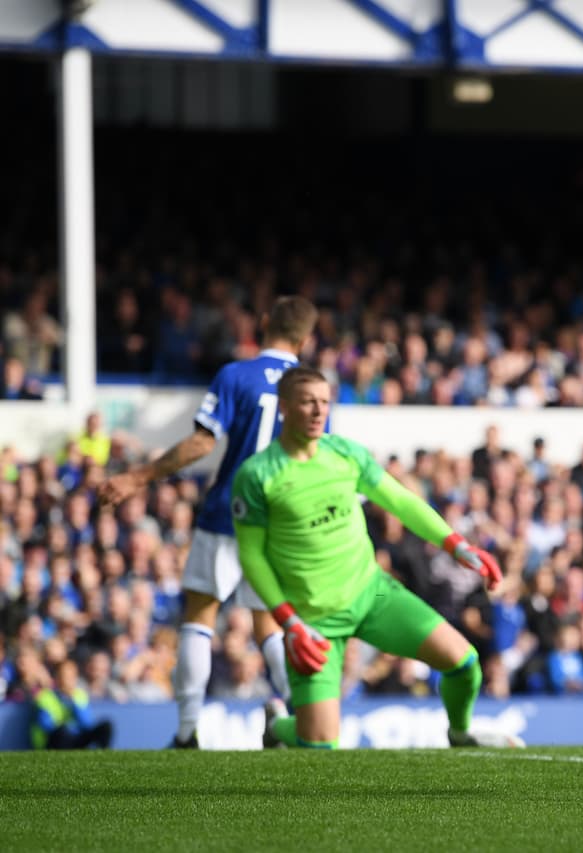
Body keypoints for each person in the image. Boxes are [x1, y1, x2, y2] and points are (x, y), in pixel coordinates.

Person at [231, 367, 521, 749]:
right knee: (318, 743)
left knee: (464, 661)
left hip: (373, 595)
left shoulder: (345, 453)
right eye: (307, 402)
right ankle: (277, 728)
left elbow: (399, 500)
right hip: (314, 619)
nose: (319, 411)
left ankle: (461, 733)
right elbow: (251, 555)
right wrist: (289, 620)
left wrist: (456, 544)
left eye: (324, 401)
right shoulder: (257, 475)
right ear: (284, 407)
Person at [99, 295, 319, 748]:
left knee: (200, 618)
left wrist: (139, 476)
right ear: (306, 338)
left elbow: (202, 444)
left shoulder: (236, 374)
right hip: (278, 523)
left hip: (227, 514)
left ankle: (186, 731)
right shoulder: (311, 390)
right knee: (269, 625)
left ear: (262, 323)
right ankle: (298, 717)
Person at [31, 659, 114, 749]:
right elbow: (46, 725)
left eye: (71, 676)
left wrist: (73, 701)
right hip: (54, 740)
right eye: (64, 676)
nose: (67, 680)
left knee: (106, 727)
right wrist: (67, 727)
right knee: (63, 731)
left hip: (75, 738)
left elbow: (86, 724)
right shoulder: (45, 696)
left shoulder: (79, 695)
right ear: (57, 677)